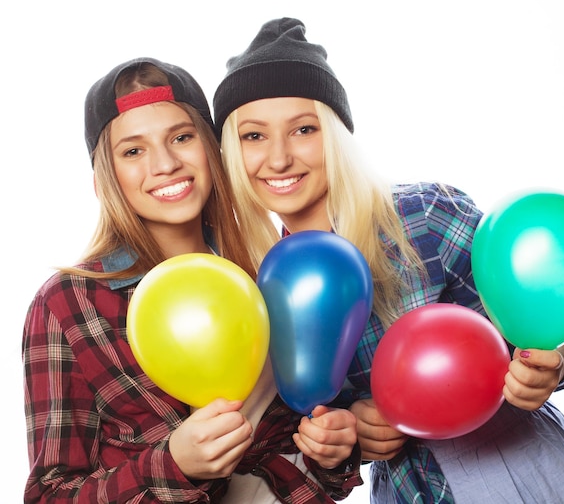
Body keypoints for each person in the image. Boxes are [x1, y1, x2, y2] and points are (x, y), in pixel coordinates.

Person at [212, 17, 564, 503]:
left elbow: (553, 321)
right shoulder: (258, 285)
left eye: (303, 129)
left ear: (338, 135)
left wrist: (554, 361)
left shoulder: (423, 217)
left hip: (519, 470)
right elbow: (316, 430)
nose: (278, 159)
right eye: (253, 136)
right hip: (410, 491)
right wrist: (348, 434)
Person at [22, 57, 363, 503]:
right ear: (106, 178)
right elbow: (49, 495)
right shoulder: (68, 303)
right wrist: (171, 464)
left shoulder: (269, 276)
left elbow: (310, 453)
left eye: (181, 138)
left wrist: (333, 449)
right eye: (133, 151)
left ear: (212, 148)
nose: (165, 164)